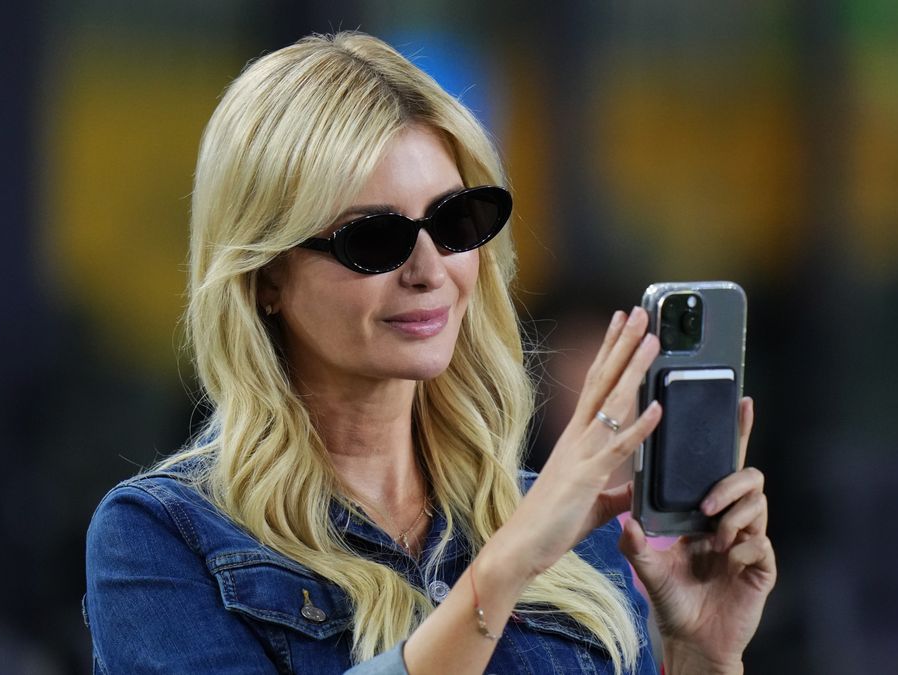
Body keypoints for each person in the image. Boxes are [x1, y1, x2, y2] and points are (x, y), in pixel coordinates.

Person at [84, 31, 774, 675]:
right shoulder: (162, 534)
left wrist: (699, 652)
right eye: (374, 238)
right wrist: (505, 568)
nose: (429, 269)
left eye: (453, 221)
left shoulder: (557, 521)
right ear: (266, 276)